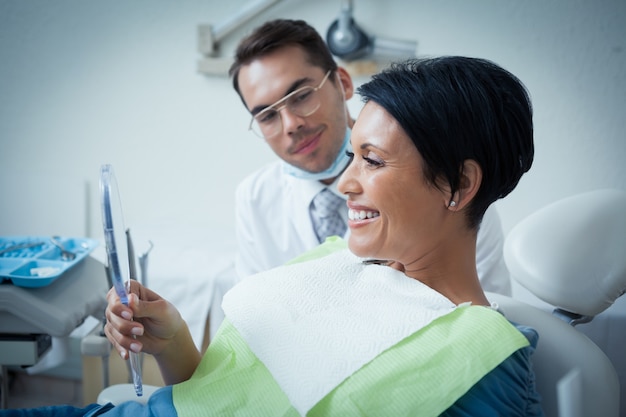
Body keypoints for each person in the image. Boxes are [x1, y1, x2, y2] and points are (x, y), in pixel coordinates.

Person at [4, 56, 543, 416]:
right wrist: (175, 342)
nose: (346, 183)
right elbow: (227, 394)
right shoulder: (331, 263)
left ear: (459, 184)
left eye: (373, 161)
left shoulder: (482, 360)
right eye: (353, 155)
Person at [209, 18, 512, 339]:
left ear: (342, 82)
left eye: (301, 95)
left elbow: (485, 318)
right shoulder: (255, 197)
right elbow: (255, 320)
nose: (290, 125)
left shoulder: (449, 197)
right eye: (267, 115)